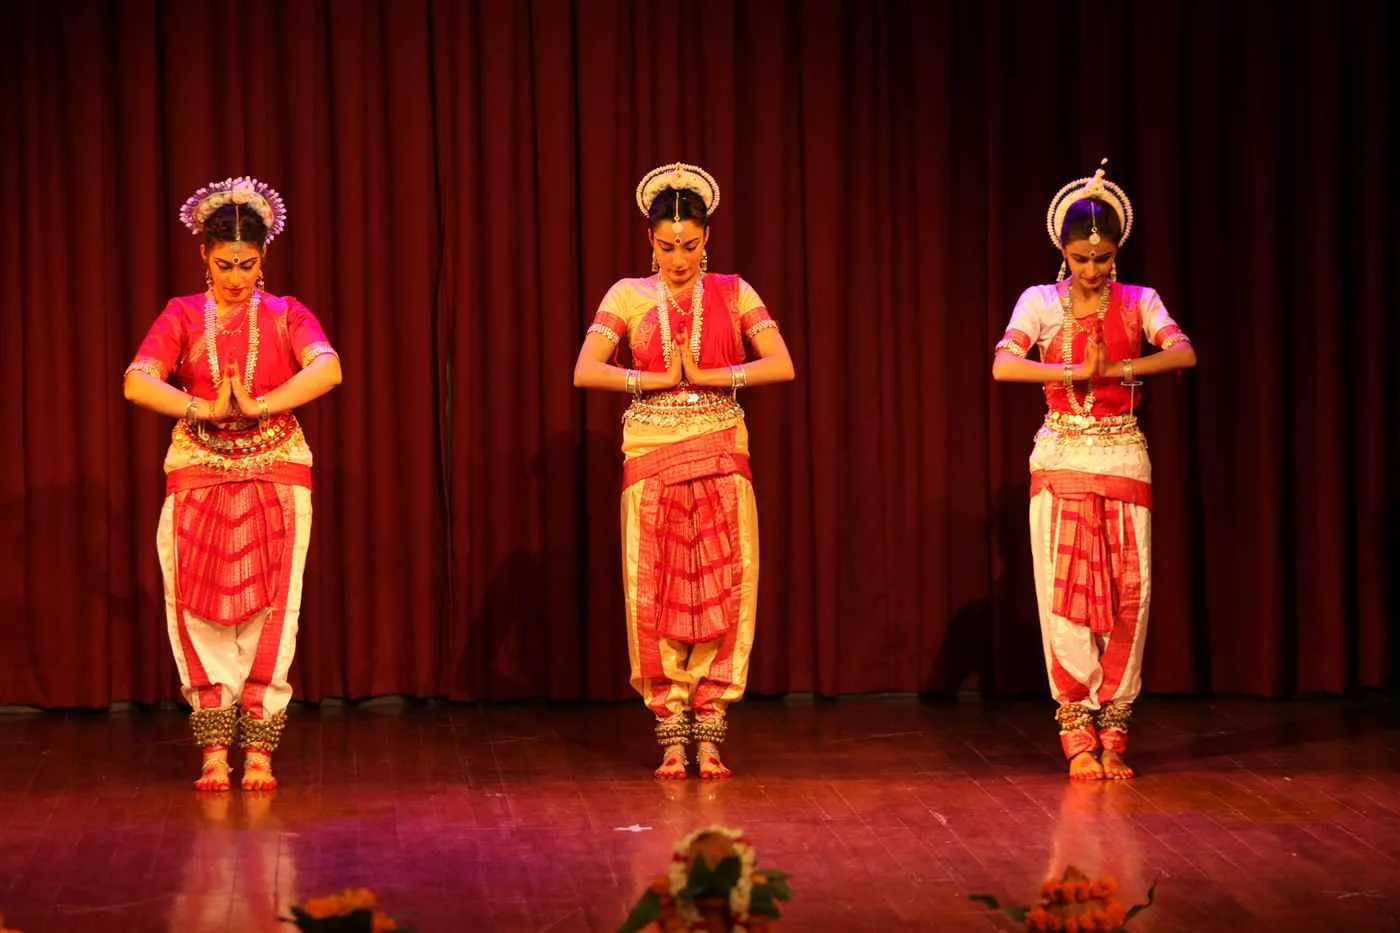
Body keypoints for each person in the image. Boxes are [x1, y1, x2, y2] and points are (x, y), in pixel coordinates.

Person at [574, 163, 795, 779]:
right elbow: (586, 369)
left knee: (725, 580)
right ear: (650, 239)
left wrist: (713, 378)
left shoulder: (734, 291)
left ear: (707, 238)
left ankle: (711, 725)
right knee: (656, 586)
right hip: (652, 447)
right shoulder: (627, 295)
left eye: (690, 246)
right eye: (668, 246)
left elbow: (781, 363)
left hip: (722, 443)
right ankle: (671, 728)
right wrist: (651, 381)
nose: (679, 259)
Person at [123, 177, 342, 791]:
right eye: (225, 264)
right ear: (204, 256)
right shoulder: (182, 314)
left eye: (247, 264)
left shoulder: (284, 313)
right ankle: (214, 744)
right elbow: (138, 381)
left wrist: (265, 403)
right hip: (199, 463)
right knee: (194, 600)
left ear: (264, 257)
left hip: (276, 462)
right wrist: (201, 410)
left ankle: (261, 745)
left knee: (275, 602)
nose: (236, 277)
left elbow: (328, 367)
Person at [991, 161, 1196, 781]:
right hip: (1060, 455)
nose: (1091, 270)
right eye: (1081, 258)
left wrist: (1124, 370)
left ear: (1116, 252)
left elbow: (1184, 351)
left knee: (1131, 592)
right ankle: (1077, 730)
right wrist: (1071, 375)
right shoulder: (1039, 302)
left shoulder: (1141, 302)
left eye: (1102, 258)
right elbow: (1003, 365)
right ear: (1063, 250)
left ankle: (1116, 727)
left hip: (1123, 455)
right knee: (1065, 596)